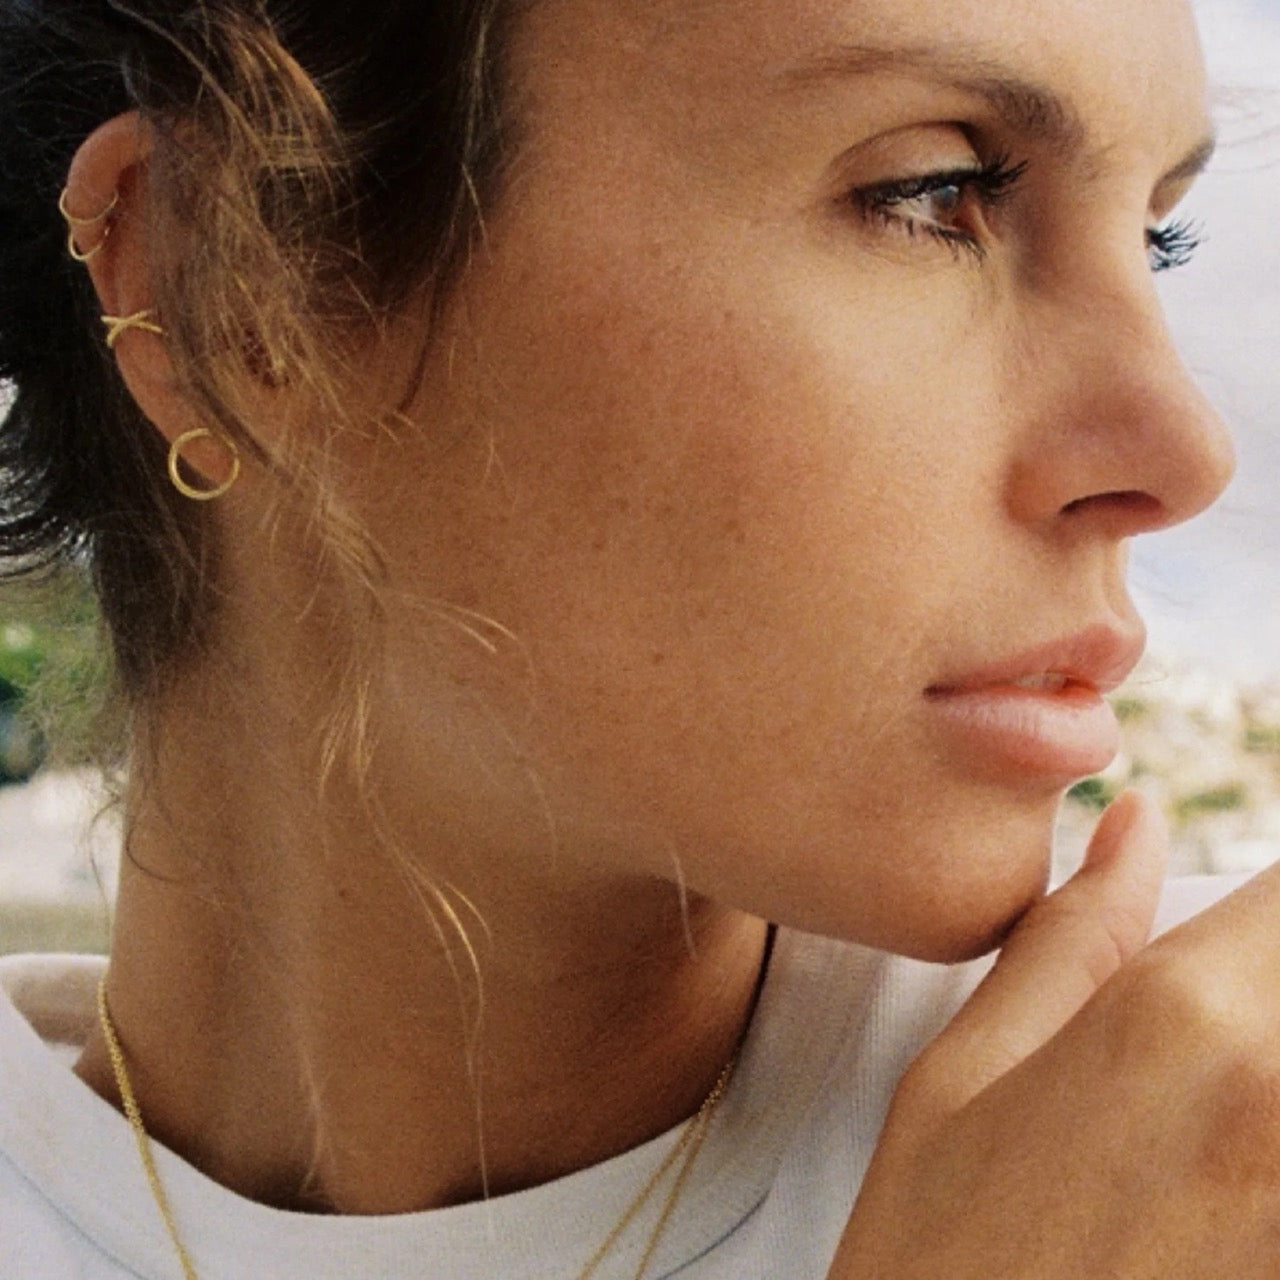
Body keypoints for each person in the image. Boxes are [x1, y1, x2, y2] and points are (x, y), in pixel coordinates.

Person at [0, 0, 1273, 1275]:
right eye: (930, 192)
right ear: (241, 287)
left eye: (1154, 239)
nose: (1181, 448)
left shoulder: (1227, 1152)